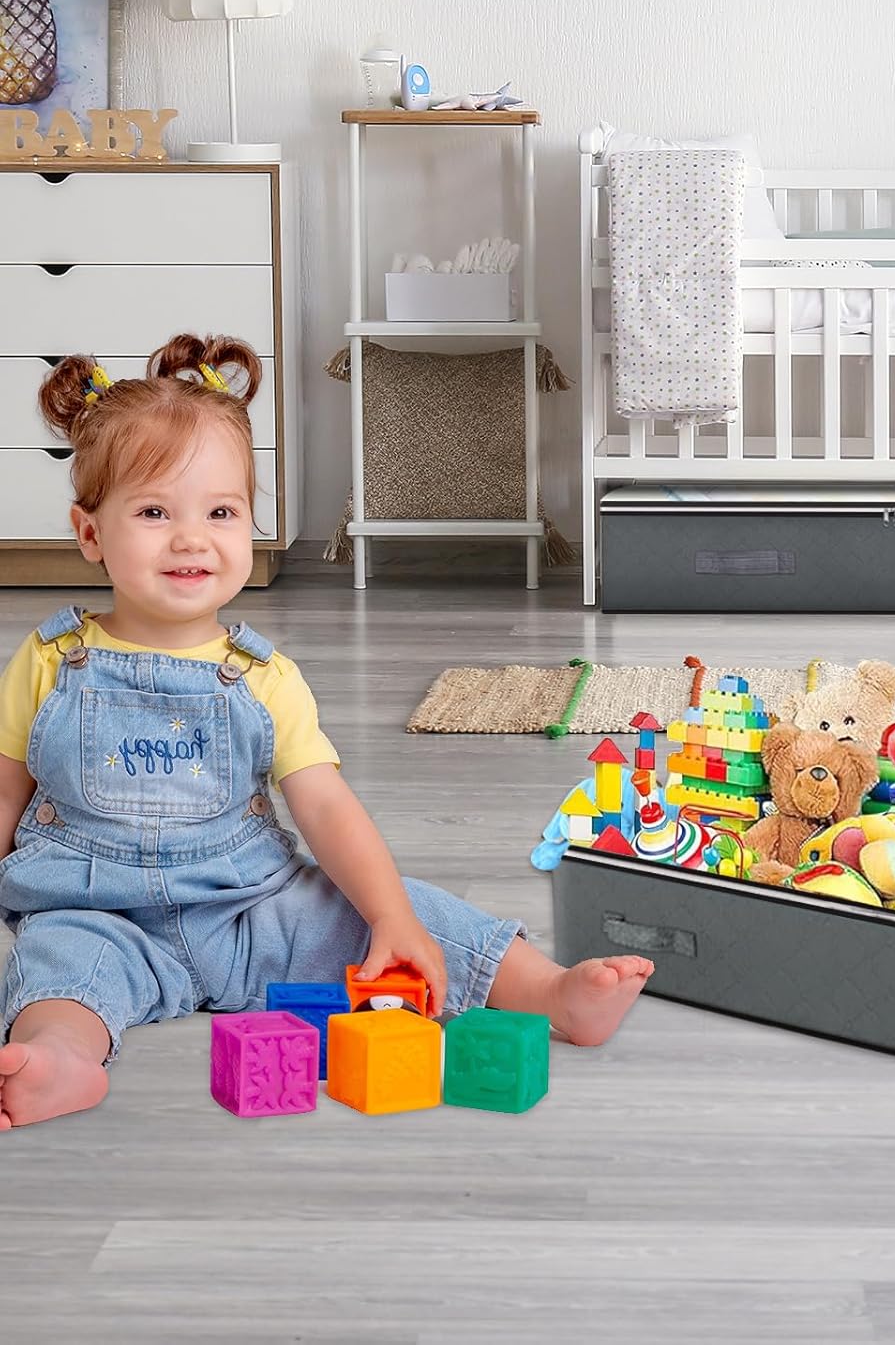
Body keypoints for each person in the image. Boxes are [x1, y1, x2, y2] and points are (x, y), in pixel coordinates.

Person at [0, 336, 652, 1128]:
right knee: (57, 970)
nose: (191, 537)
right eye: (153, 512)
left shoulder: (263, 675)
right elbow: (7, 792)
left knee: (397, 910)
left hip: (250, 906)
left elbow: (326, 807)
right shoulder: (51, 659)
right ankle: (61, 1059)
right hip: (96, 910)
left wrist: (389, 918)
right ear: (90, 532)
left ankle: (548, 992)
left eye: (220, 512)